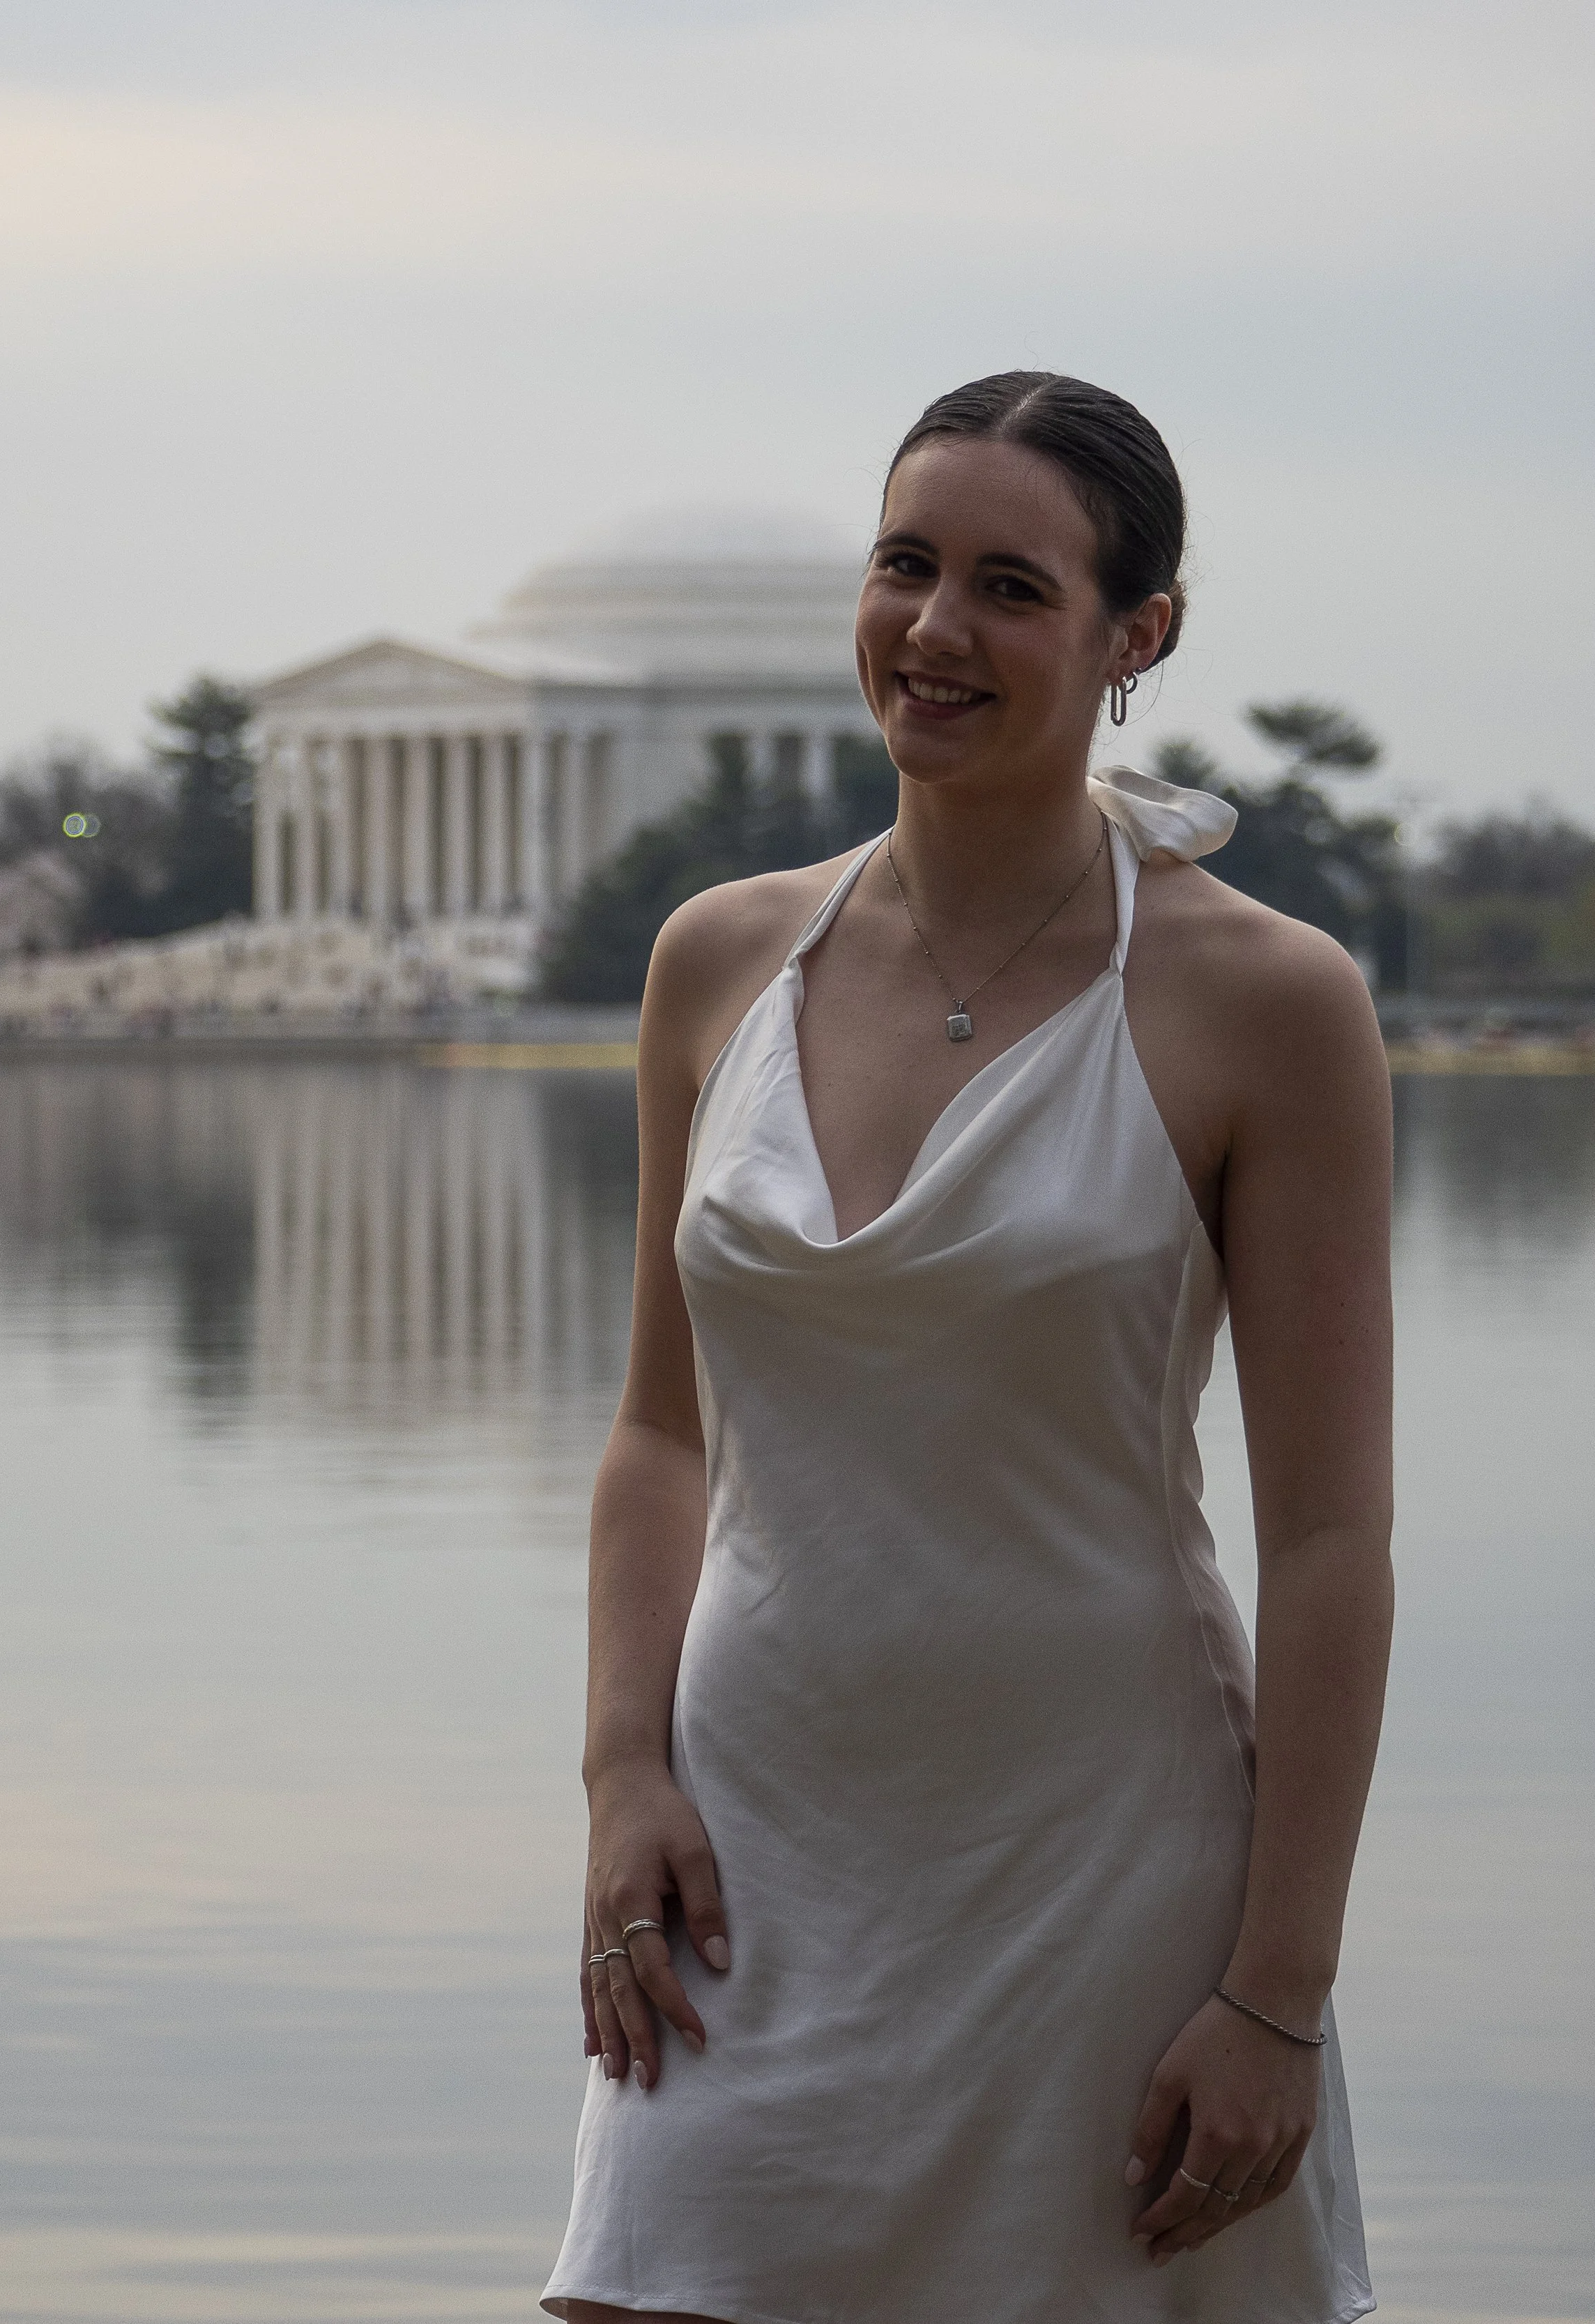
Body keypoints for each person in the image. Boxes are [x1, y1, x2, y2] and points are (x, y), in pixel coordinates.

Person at [542, 371, 1393, 2324]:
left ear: (1134, 636)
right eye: (905, 564)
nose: (933, 631)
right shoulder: (718, 958)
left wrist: (1277, 1987)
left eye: (1012, 587)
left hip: (1105, 1866)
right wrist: (616, 1772)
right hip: (741, 1858)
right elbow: (661, 1434)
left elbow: (1330, 1538)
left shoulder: (1267, 1001)